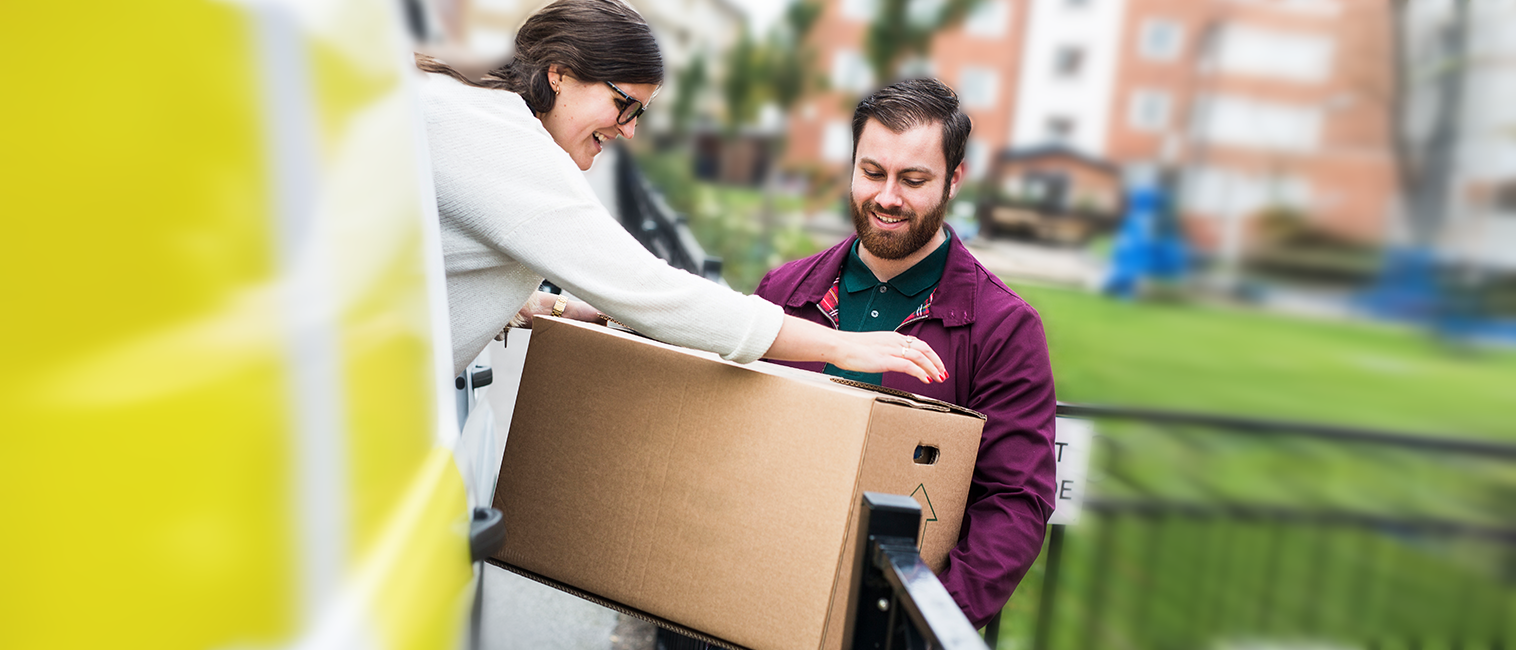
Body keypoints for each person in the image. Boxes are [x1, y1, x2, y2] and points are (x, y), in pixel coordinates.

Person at [413, 0, 947, 385]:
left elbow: (433, 262)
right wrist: (841, 345)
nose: (629, 130)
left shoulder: (470, 114)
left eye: (640, 113)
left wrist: (542, 306)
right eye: (625, 105)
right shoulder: (505, 146)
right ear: (559, 75)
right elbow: (652, 291)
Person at [753, 79, 1057, 627]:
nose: (888, 197)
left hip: (884, 621)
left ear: (954, 180)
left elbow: (1014, 503)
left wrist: (924, 623)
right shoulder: (783, 291)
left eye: (914, 180)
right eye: (872, 173)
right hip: (756, 596)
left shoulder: (1005, 328)